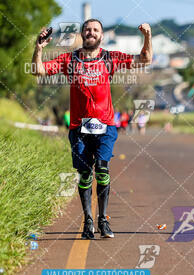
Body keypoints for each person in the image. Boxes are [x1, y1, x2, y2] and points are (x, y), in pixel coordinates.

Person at [31, 19, 153, 238]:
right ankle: (88, 220)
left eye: (96, 30)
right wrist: (38, 49)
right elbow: (38, 71)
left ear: (101, 36)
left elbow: (145, 59)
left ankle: (103, 220)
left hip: (105, 125)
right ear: (82, 34)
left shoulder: (110, 58)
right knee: (85, 174)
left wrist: (147, 36)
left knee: (103, 170)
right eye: (88, 30)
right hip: (79, 127)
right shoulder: (69, 59)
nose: (91, 33)